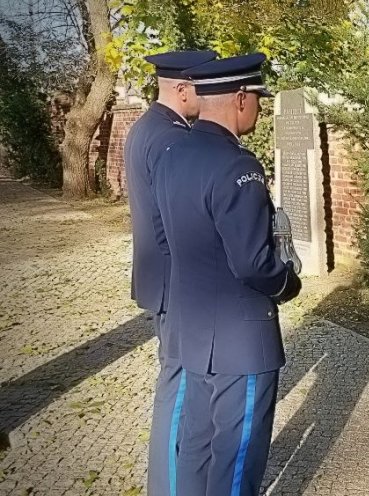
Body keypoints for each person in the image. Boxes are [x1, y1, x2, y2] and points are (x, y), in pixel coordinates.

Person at [152, 52, 301, 496]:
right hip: (241, 341)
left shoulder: (170, 154)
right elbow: (254, 262)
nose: (260, 107)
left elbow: (168, 242)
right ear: (240, 98)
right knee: (236, 461)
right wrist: (288, 282)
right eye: (258, 97)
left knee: (196, 447)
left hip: (191, 331)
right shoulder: (239, 166)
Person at [123, 49, 217, 496]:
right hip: (176, 284)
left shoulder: (146, 128)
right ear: (182, 89)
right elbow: (180, 220)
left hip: (160, 277)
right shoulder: (173, 140)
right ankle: (168, 487)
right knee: (178, 389)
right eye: (204, 87)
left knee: (179, 382)